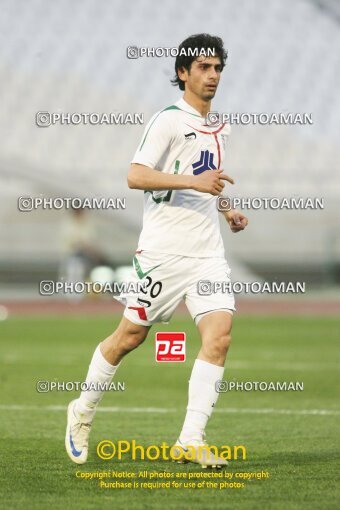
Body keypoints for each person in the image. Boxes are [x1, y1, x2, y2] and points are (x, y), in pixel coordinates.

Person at [65, 33, 248, 468]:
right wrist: (193, 184)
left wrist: (227, 210)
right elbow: (135, 175)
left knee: (218, 340)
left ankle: (190, 438)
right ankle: (82, 410)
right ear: (183, 73)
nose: (213, 75)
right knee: (130, 337)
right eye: (204, 67)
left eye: (218, 67)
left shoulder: (218, 127)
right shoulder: (167, 120)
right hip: (164, 254)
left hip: (207, 254)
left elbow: (209, 179)